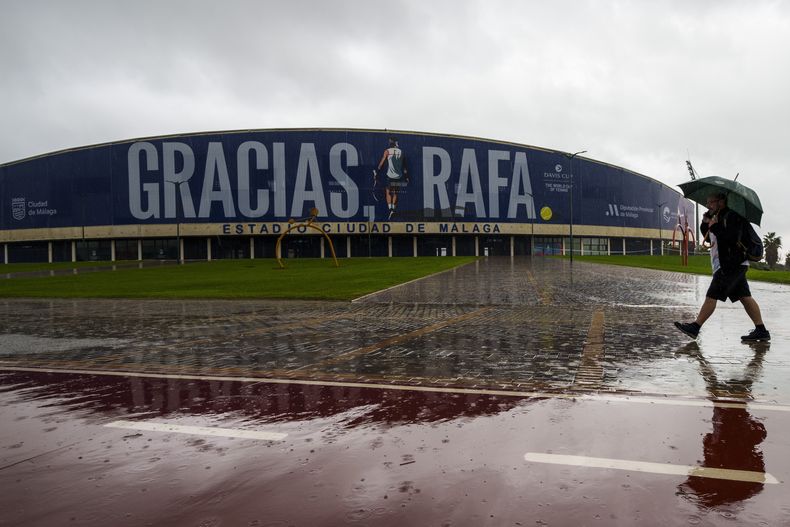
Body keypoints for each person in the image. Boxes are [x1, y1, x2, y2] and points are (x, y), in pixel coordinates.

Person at [674, 192, 770, 341]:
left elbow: (732, 238)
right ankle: (761, 330)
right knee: (745, 297)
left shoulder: (732, 216)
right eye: (707, 202)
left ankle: (695, 327)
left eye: (711, 202)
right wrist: (706, 223)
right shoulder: (715, 216)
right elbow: (708, 235)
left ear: (721, 202)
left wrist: (716, 227)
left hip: (732, 264)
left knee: (712, 294)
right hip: (726, 263)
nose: (708, 205)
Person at [373, 137, 409, 219]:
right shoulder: (401, 152)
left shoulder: (387, 151)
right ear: (396, 143)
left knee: (388, 192)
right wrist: (406, 177)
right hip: (399, 176)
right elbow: (404, 167)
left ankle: (390, 208)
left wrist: (377, 171)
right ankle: (393, 209)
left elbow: (382, 162)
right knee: (395, 192)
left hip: (390, 175)